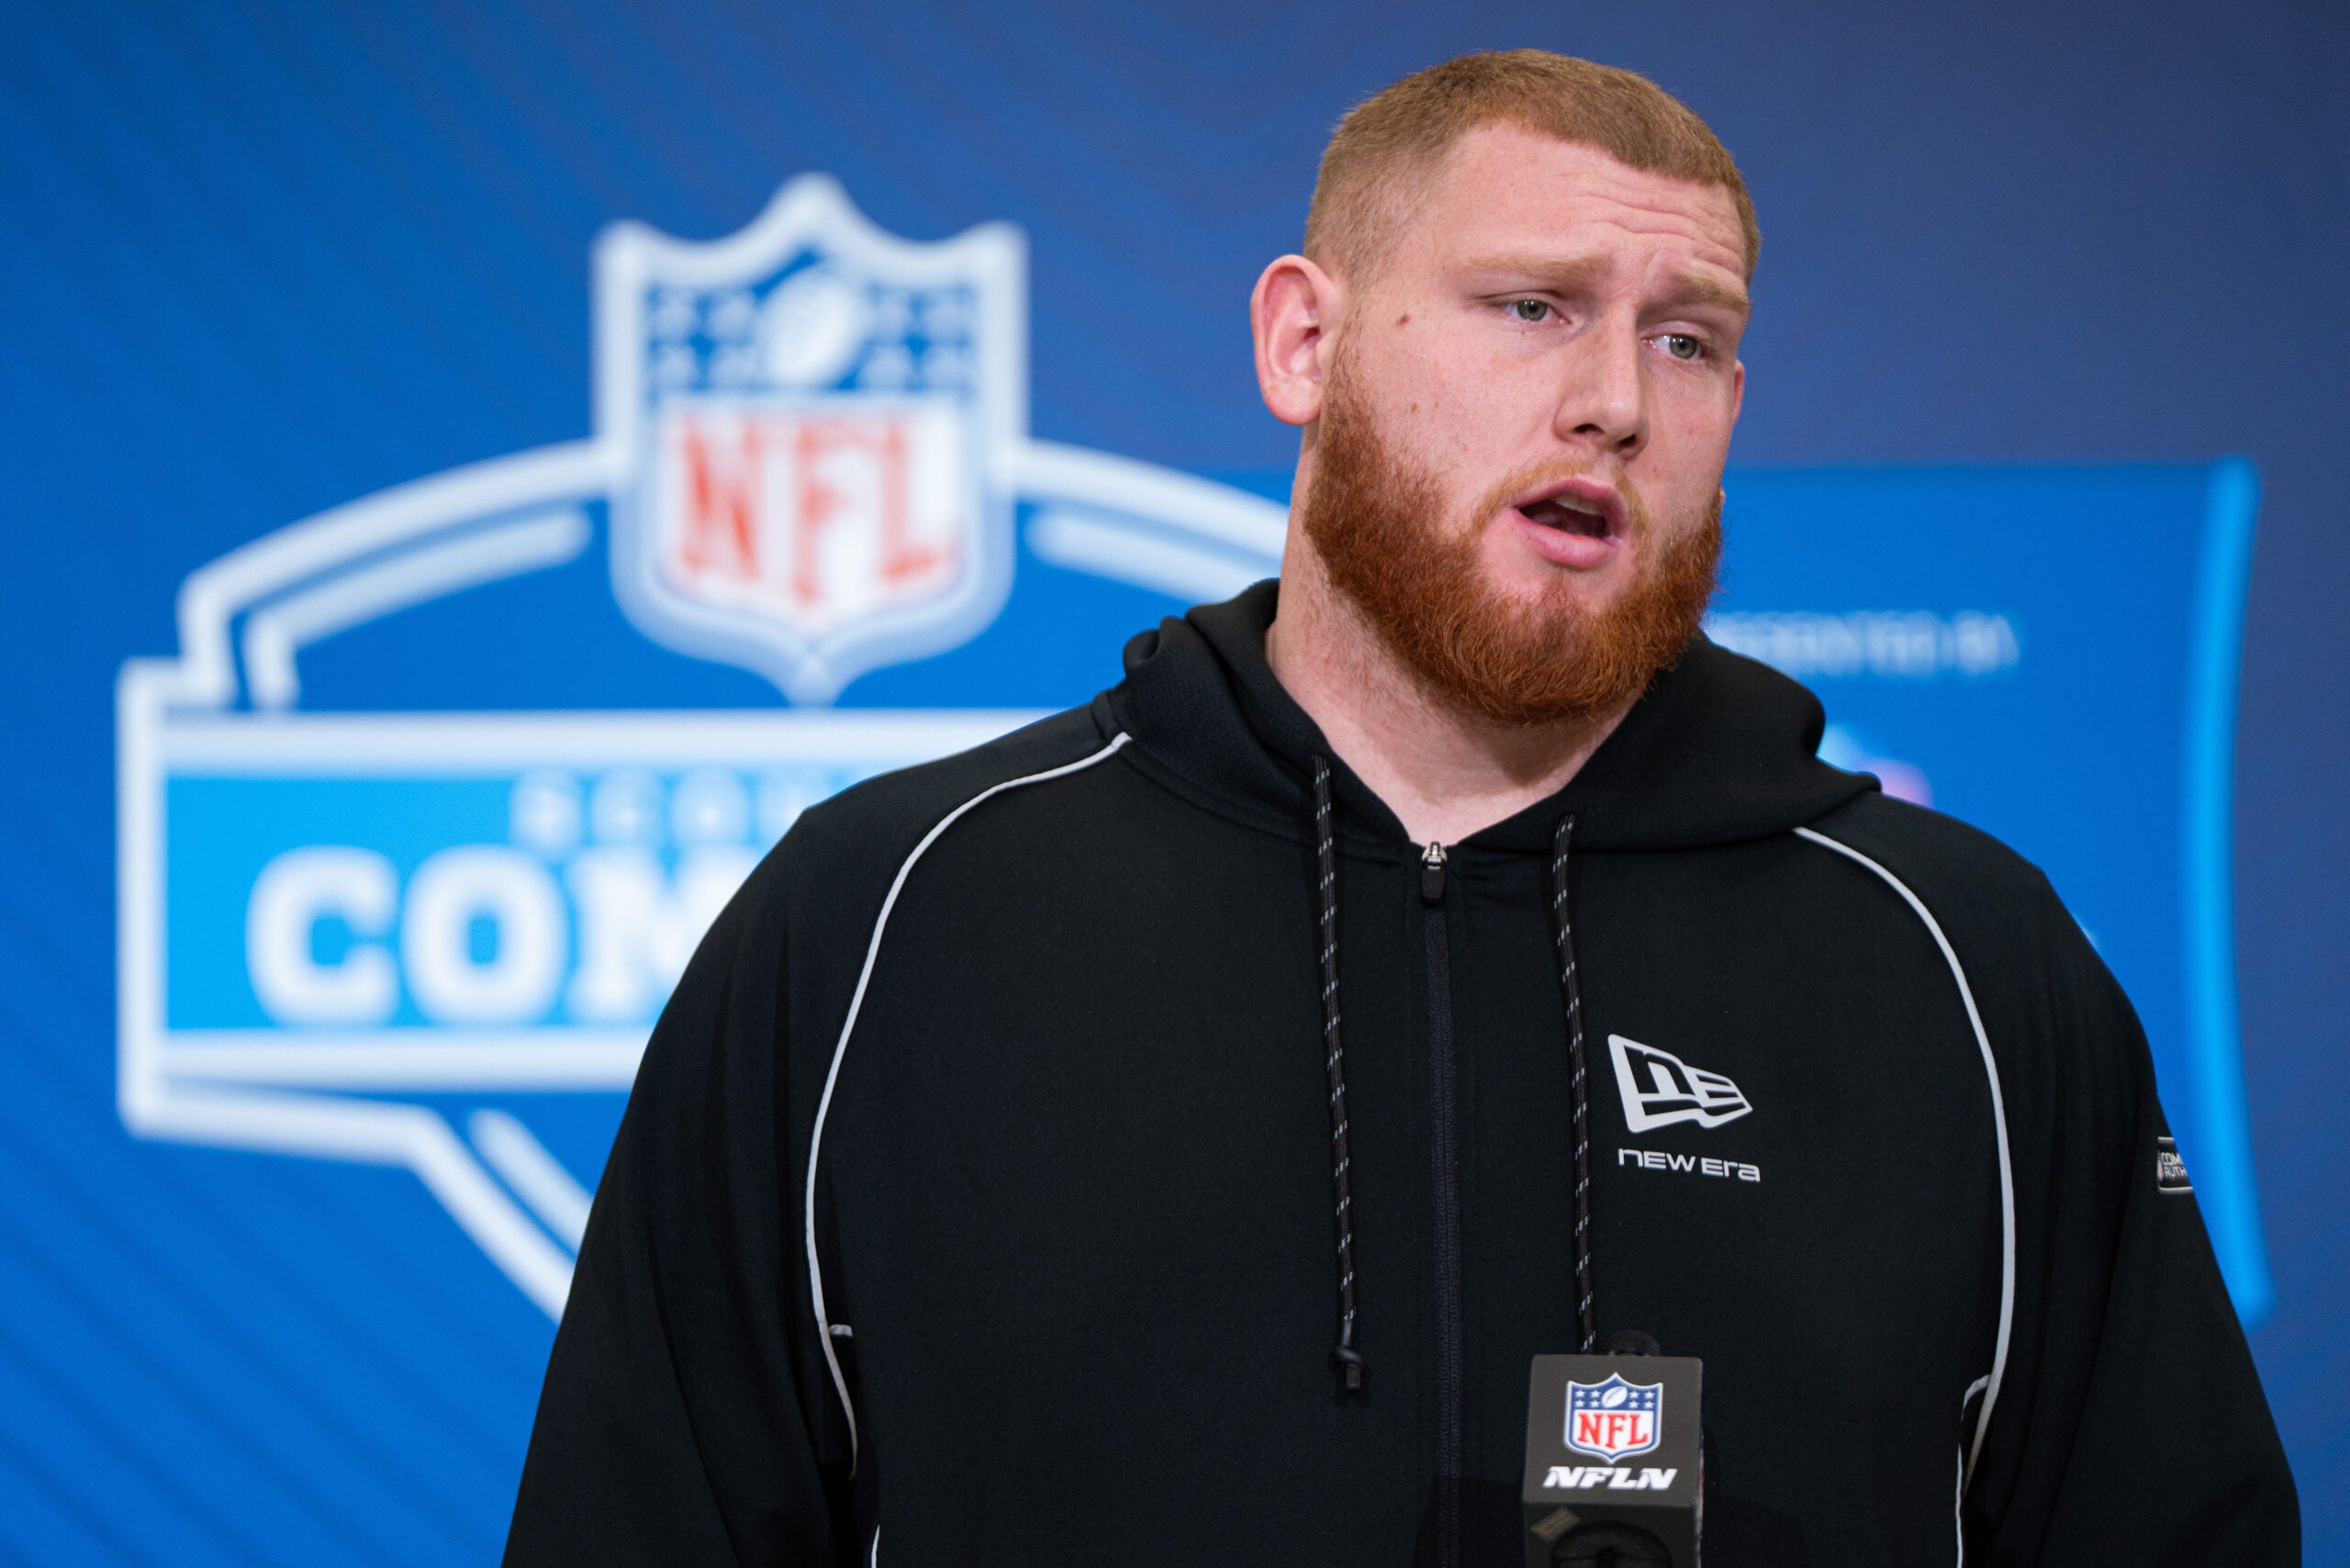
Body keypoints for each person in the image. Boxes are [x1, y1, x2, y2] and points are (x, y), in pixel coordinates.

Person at [506, 50, 2297, 1565]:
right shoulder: (881, 916)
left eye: (1685, 343)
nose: (1608, 401)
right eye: (1533, 309)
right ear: (1304, 341)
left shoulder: (1965, 963)